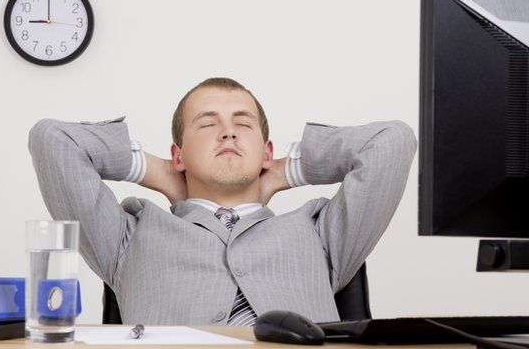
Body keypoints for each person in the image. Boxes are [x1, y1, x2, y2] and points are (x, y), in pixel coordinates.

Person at [28, 77, 417, 326]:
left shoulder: (321, 234)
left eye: (243, 124)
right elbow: (51, 141)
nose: (228, 133)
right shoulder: (126, 237)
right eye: (208, 123)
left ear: (265, 152)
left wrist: (286, 171)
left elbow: (392, 142)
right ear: (178, 154)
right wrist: (155, 171)